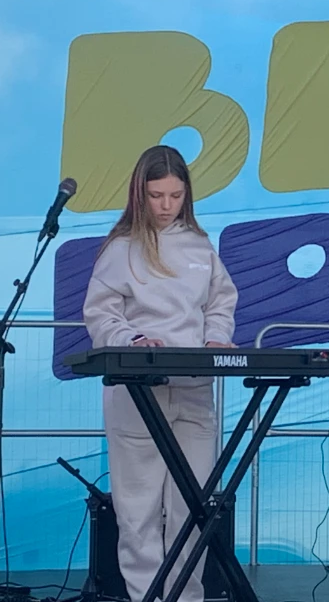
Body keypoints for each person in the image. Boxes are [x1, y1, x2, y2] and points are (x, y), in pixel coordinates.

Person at [83, 145, 239, 602]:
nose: (166, 205)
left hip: (193, 388)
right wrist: (132, 340)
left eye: (174, 195)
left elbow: (220, 302)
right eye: (156, 196)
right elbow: (101, 312)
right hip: (137, 392)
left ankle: (184, 598)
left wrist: (215, 337)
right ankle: (147, 597)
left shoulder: (200, 246)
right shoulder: (121, 249)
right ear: (139, 194)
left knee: (192, 506)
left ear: (186, 194)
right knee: (138, 509)